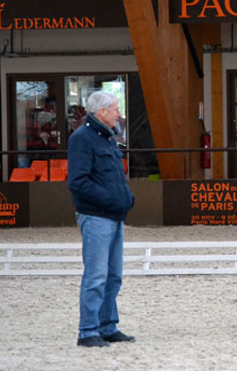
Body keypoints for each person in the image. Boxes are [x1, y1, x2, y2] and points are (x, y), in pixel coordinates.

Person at [68, 91, 135, 348]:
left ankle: (107, 326)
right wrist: (111, 199)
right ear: (102, 112)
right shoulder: (82, 139)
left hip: (113, 216)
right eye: (116, 108)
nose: (119, 113)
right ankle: (87, 331)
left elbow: (114, 176)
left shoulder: (107, 138)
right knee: (96, 275)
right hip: (96, 217)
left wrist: (126, 198)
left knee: (113, 275)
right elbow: (78, 182)